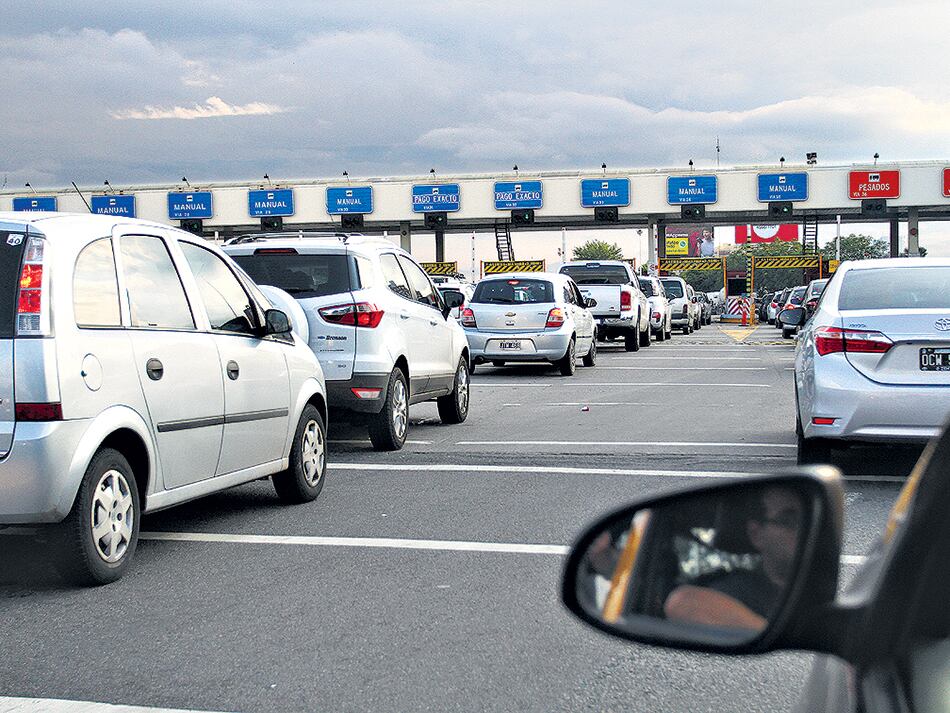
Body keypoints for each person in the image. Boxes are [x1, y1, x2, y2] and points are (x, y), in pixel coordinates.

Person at [663, 486, 803, 632]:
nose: (804, 529)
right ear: (756, 534)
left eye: (810, 520)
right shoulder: (737, 589)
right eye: (789, 521)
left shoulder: (823, 583)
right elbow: (682, 602)